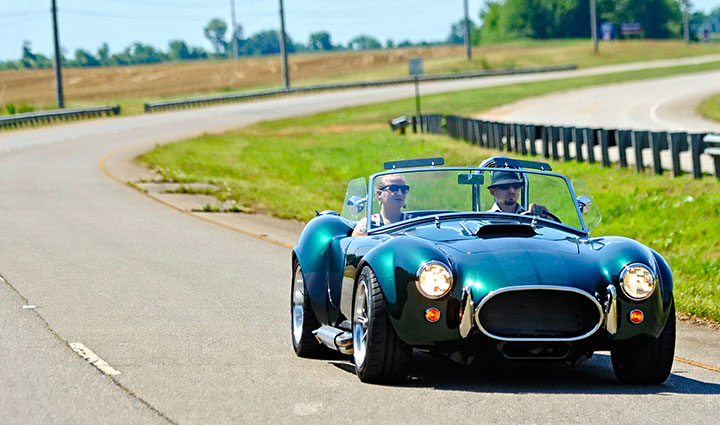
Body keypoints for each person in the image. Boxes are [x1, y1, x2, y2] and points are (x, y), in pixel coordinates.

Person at [487, 170, 557, 220]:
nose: (512, 190)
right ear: (492, 192)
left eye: (516, 186)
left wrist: (544, 215)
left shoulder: (531, 218)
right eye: (505, 186)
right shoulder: (484, 219)